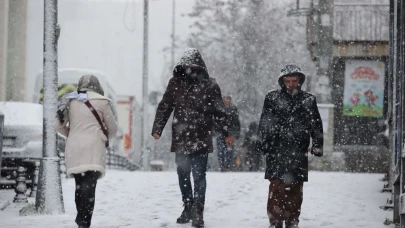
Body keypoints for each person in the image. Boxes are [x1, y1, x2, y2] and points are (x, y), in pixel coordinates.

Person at [151, 48, 234, 228]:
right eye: (187, 65)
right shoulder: (175, 83)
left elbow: (220, 111)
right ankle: (187, 205)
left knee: (199, 175)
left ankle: (198, 211)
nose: (190, 69)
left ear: (199, 66)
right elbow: (165, 106)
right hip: (181, 138)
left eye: (193, 65)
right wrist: (158, 127)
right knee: (182, 174)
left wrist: (227, 132)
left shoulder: (210, 85)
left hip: (202, 137)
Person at [256, 64, 323, 228]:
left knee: (295, 188)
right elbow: (264, 122)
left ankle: (292, 220)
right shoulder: (272, 98)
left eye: (294, 80)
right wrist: (262, 143)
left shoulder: (308, 100)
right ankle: (275, 221)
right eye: (288, 81)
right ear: (283, 81)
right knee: (276, 186)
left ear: (300, 81)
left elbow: (316, 124)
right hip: (276, 149)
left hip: (298, 150)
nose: (292, 84)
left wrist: (318, 145)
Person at [55, 75, 118, 228]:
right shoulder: (102, 102)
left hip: (74, 147)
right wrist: (103, 136)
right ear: (97, 86)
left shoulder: (70, 100)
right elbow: (113, 128)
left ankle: (80, 217)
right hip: (94, 147)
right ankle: (84, 221)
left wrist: (71, 133)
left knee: (79, 183)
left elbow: (57, 125)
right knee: (89, 186)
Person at [214, 95, 240, 172]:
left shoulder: (233, 109)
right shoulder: (219, 108)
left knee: (229, 150)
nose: (227, 101)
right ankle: (222, 166)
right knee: (220, 150)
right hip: (220, 132)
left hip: (230, 133)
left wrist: (236, 132)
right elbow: (215, 121)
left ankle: (227, 165)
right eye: (225, 99)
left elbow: (236, 122)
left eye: (228, 99)